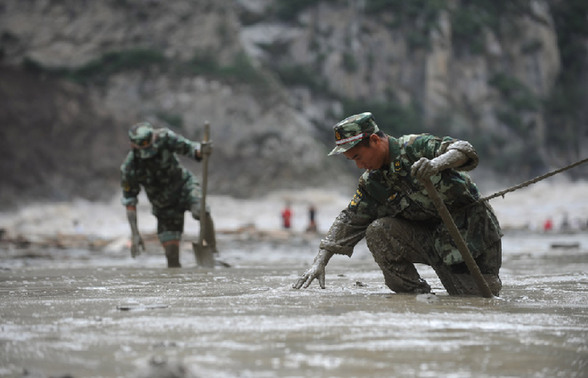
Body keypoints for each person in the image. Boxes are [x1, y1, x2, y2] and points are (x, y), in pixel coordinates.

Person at [293, 112, 503, 296]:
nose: (359, 165)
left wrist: (435, 164)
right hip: (431, 241)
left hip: (472, 237)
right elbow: (350, 218)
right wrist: (320, 262)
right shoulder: (372, 183)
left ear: (374, 140)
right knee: (378, 230)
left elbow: (464, 150)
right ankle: (416, 295)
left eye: (358, 156)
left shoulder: (415, 146)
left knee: (476, 299)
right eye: (352, 161)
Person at [120, 121, 218, 267]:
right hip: (163, 206)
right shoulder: (130, 168)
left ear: (153, 137)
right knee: (172, 257)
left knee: (201, 211)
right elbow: (130, 202)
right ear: (133, 145)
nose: (149, 152)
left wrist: (202, 150)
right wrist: (135, 234)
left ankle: (213, 252)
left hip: (184, 187)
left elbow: (190, 148)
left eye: (150, 145)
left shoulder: (165, 137)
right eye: (143, 148)